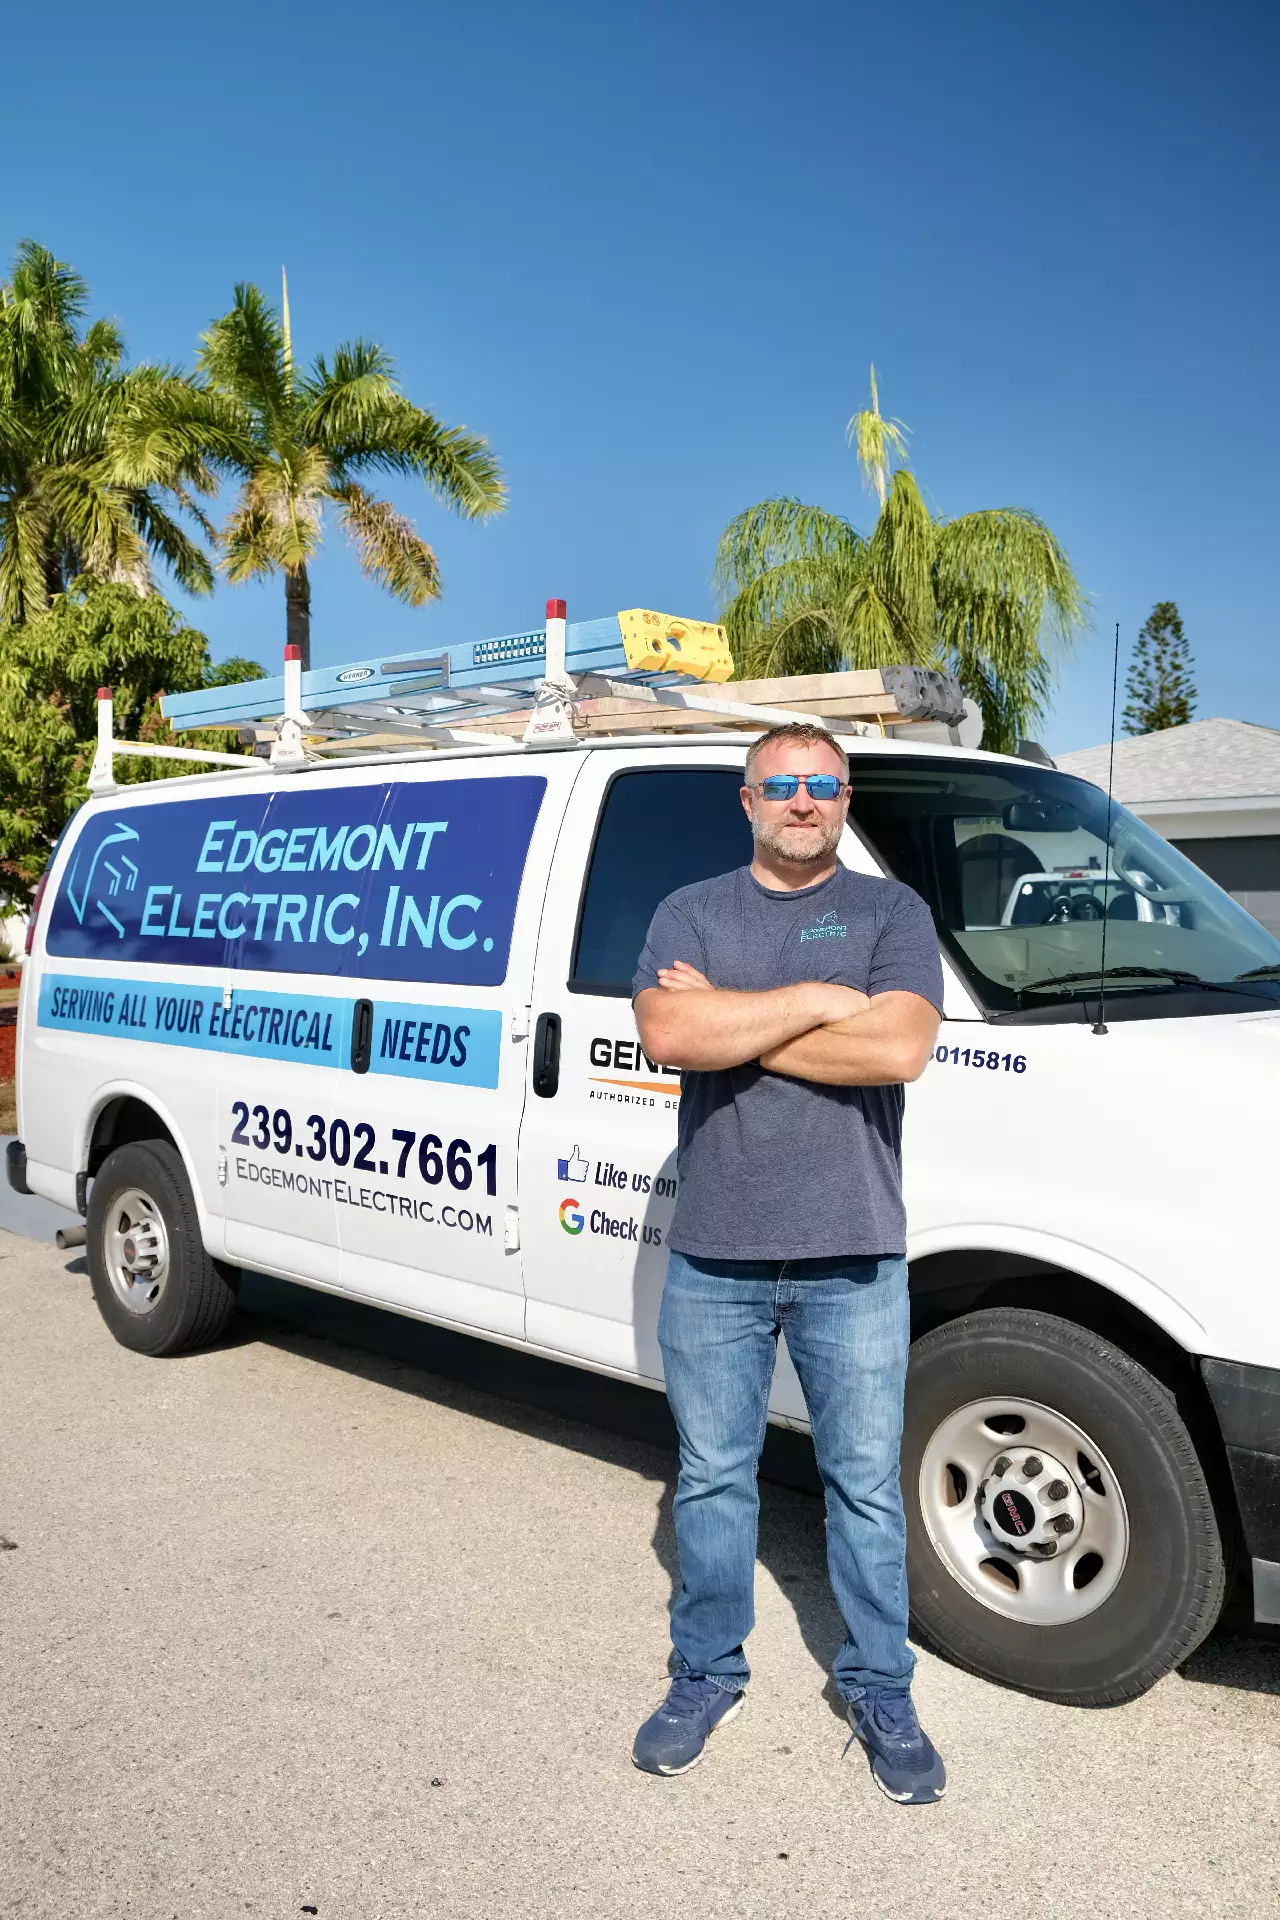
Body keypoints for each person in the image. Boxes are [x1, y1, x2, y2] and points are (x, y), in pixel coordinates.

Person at [630, 721, 946, 1805]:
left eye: (820, 784)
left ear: (844, 797)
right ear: (746, 800)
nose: (801, 801)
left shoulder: (888, 911)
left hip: (853, 1254)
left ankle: (878, 1687)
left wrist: (732, 1018)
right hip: (715, 1252)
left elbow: (899, 1045)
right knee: (713, 1482)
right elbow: (666, 1035)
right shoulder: (691, 910)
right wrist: (818, 1004)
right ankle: (704, 1673)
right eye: (781, 785)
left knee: (861, 1486)